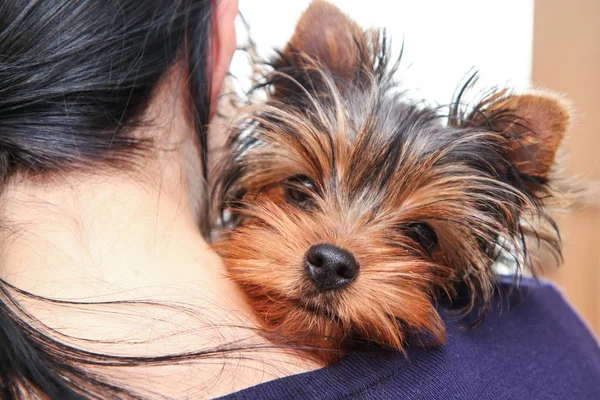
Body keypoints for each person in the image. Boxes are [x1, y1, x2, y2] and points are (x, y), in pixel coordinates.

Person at [0, 1, 598, 399]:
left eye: (418, 235)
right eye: (301, 188)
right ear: (219, 45)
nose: (335, 252)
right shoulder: (546, 349)